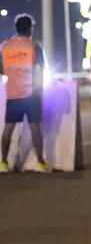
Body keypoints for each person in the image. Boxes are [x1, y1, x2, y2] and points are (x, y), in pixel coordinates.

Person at [0, 13, 51, 173]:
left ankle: (3, 163)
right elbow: (42, 69)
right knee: (35, 127)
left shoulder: (5, 46)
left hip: (12, 93)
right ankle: (40, 163)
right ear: (30, 29)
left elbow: (1, 68)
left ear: (16, 28)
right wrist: (40, 87)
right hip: (31, 93)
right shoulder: (34, 46)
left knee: (8, 128)